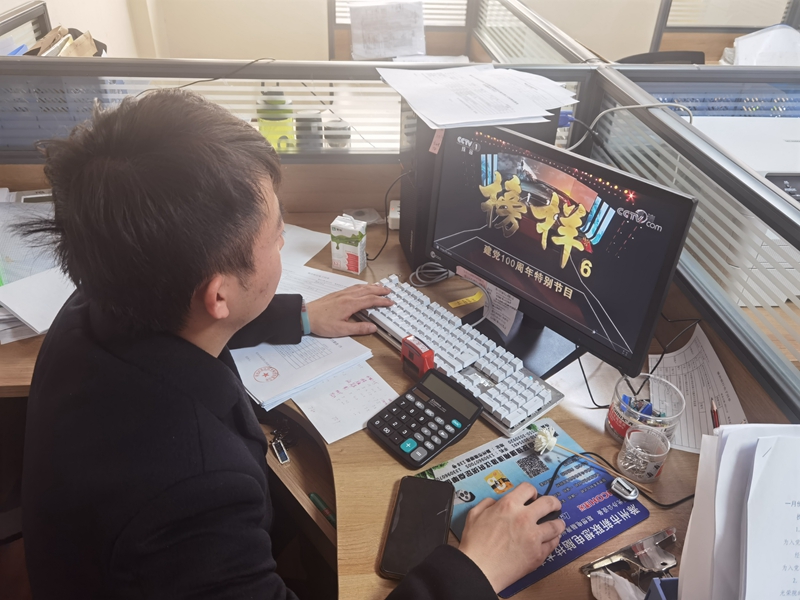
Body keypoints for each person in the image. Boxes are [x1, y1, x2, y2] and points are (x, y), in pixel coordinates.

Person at [20, 89, 564, 599]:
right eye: (277, 234)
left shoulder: (98, 302)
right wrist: (475, 570)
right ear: (218, 295)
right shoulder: (191, 492)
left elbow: (178, 311)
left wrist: (299, 317)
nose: (284, 241)